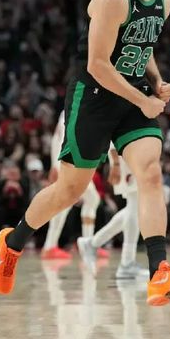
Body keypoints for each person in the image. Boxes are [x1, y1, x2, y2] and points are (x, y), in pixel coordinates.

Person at [0, 0, 170, 306]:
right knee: (69, 190)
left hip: (132, 98)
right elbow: (98, 64)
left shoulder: (164, 0)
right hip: (94, 97)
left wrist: (157, 81)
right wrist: (145, 100)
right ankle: (12, 243)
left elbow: (143, 44)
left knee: (151, 173)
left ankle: (159, 272)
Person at [41, 111, 107, 260]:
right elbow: (61, 137)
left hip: (69, 161)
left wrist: (54, 164)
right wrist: (55, 165)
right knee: (77, 201)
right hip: (69, 162)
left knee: (88, 199)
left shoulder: (70, 109)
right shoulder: (79, 107)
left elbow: (57, 137)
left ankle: (82, 244)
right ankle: (55, 246)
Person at [77, 143, 149, 278]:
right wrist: (115, 162)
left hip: (131, 150)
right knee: (135, 205)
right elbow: (111, 129)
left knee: (134, 207)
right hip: (124, 152)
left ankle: (92, 243)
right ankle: (126, 263)